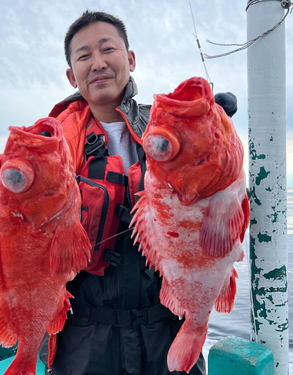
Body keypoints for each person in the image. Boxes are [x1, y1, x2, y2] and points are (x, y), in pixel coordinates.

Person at [40, 10, 237, 375]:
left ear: (130, 59)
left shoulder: (167, 126)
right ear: (71, 74)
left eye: (107, 49)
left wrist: (215, 133)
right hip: (85, 339)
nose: (97, 63)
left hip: (166, 324)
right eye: (84, 56)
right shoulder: (53, 147)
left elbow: (218, 196)